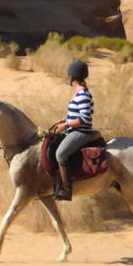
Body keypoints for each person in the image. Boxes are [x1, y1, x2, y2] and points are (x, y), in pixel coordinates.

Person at [50, 60, 96, 201]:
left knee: (60, 154)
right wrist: (64, 120)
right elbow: (77, 115)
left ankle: (67, 190)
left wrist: (67, 125)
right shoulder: (78, 92)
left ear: (72, 77)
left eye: (69, 75)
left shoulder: (82, 94)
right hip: (75, 130)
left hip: (82, 133)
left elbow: (85, 118)